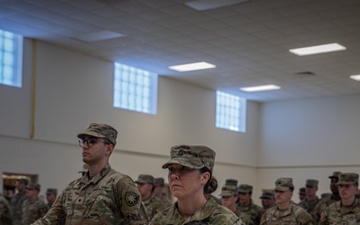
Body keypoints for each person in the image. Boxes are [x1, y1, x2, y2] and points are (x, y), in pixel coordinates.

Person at [32, 122, 145, 225]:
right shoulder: (73, 187)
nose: (85, 146)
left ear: (108, 149)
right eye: (84, 141)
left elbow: (139, 223)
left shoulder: (120, 184)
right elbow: (49, 220)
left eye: (92, 141)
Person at [150, 144, 244, 225]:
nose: (174, 175)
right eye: (171, 169)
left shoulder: (225, 221)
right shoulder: (160, 220)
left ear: (204, 177)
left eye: (184, 169)